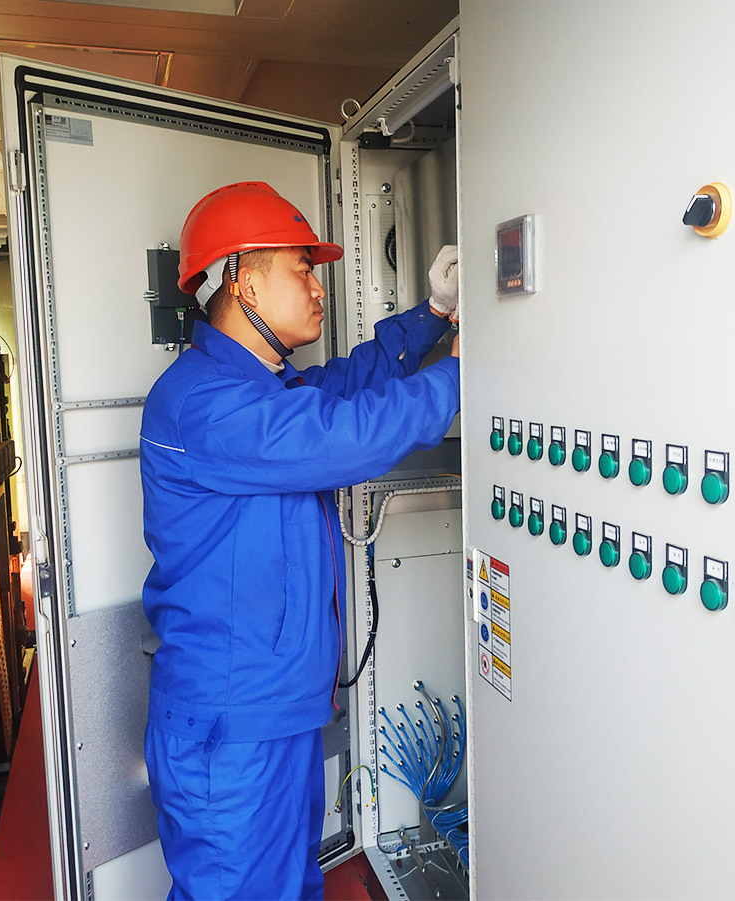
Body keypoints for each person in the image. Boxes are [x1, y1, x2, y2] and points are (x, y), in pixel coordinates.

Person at [139, 181, 460, 900]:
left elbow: (346, 384)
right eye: (302, 269)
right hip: (231, 728)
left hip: (271, 712)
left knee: (287, 888)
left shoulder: (262, 388)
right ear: (243, 279)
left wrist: (434, 316)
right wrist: (460, 375)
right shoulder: (204, 402)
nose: (318, 288)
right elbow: (341, 433)